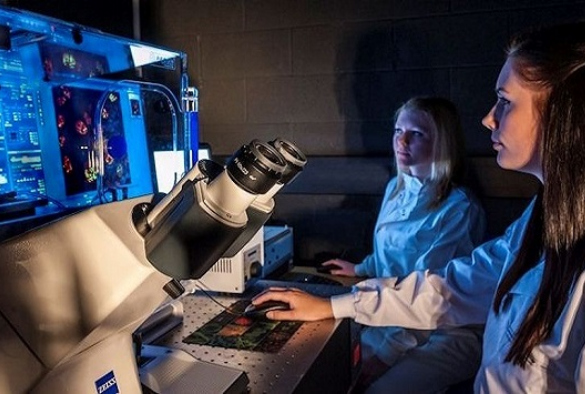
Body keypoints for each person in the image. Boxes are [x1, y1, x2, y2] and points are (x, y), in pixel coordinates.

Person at [251, 21, 585, 393]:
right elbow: (451, 287)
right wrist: (337, 303)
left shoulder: (459, 207)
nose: (488, 118)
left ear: (565, 113)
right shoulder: (539, 218)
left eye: (505, 102)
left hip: (437, 337)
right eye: (398, 131)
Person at [320, 96, 486, 391]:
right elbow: (392, 254)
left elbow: (429, 293)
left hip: (443, 331)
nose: (402, 140)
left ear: (442, 142)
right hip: (392, 317)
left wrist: (385, 355)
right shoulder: (395, 189)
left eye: (416, 134)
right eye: (398, 131)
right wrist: (361, 266)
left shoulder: (458, 208)